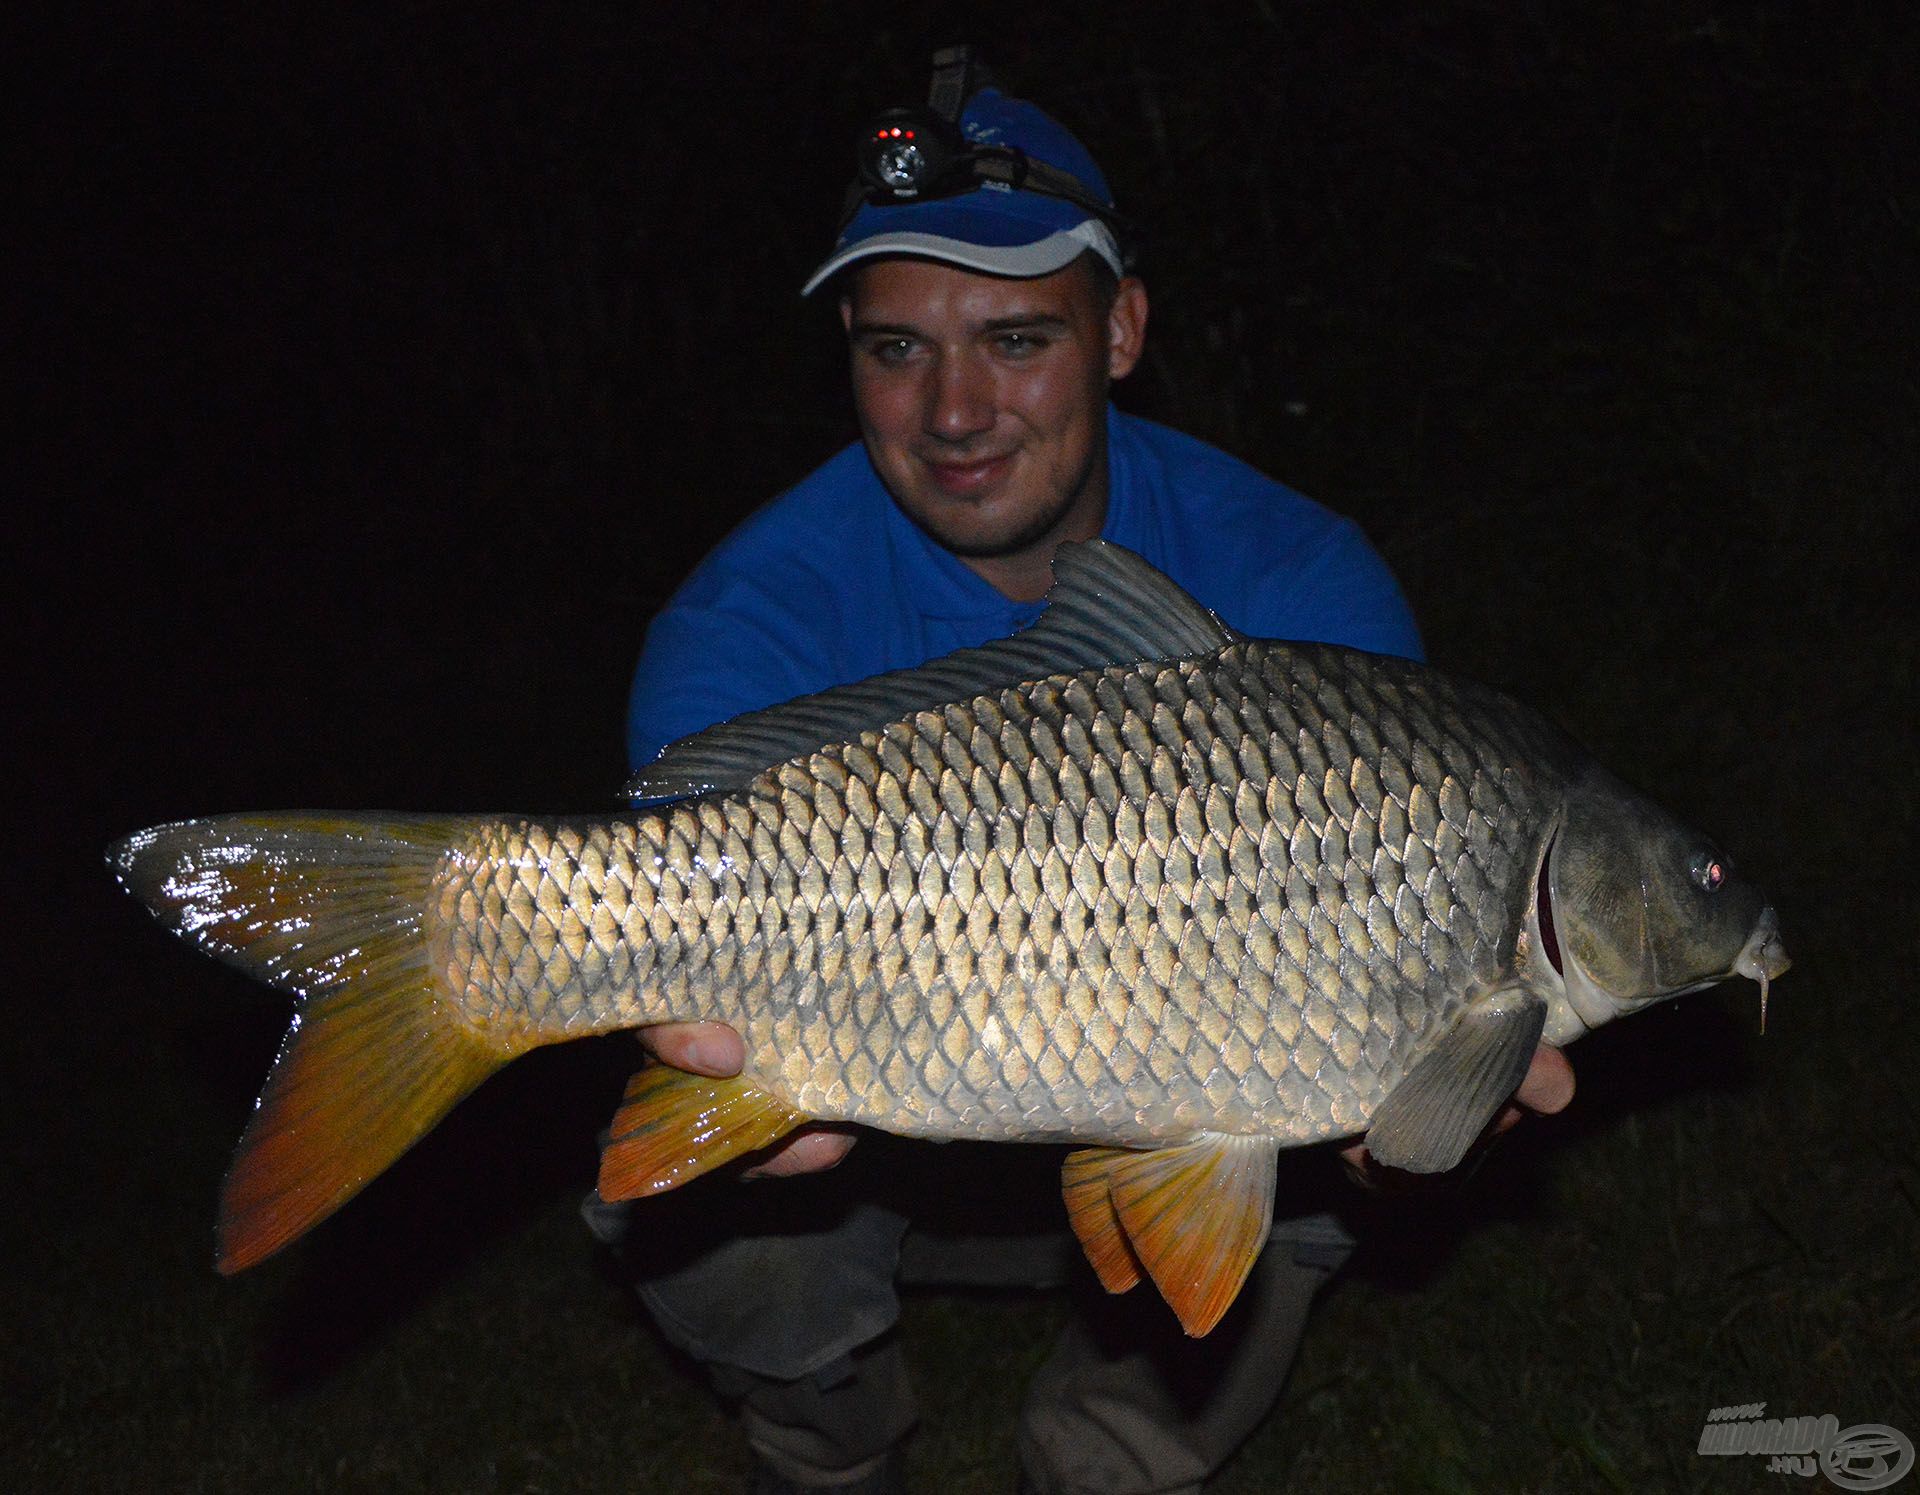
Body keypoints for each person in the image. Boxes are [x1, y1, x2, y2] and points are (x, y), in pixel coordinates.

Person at [591, 66, 1574, 1495]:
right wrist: (719, 1119)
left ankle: (1111, 1458)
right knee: (697, 1220)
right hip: (870, 1148)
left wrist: (1408, 1136)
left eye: (1015, 337)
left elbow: (1403, 1057)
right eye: (893, 352)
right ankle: (827, 1447)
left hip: (1188, 1123)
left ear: (1120, 331)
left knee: (1311, 1158)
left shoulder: (1299, 582)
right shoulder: (741, 635)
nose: (954, 410)